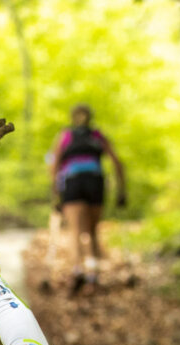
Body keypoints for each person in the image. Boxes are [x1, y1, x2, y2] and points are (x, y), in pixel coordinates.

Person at [45, 104, 126, 292]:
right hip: (95, 183)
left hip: (73, 183)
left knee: (75, 231)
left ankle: (78, 270)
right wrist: (122, 191)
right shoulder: (97, 135)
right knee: (91, 230)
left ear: (73, 117)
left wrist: (55, 192)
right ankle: (92, 274)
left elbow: (54, 163)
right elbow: (117, 162)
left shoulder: (65, 135)